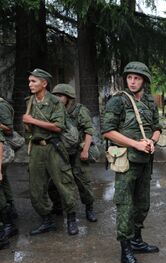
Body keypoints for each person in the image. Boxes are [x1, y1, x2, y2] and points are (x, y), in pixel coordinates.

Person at [102, 61, 161, 263]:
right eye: (129, 78)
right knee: (125, 206)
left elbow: (157, 127)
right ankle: (125, 251)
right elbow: (107, 131)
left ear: (144, 80)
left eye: (137, 78)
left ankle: (137, 240)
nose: (133, 81)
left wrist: (152, 141)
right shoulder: (118, 101)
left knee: (142, 204)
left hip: (145, 161)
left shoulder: (149, 101)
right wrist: (136, 143)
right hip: (127, 162)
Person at [23, 69, 80, 236]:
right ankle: (47, 220)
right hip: (36, 149)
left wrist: (32, 120)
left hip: (53, 147)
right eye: (29, 81)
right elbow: (28, 128)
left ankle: (71, 218)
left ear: (44, 83)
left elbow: (58, 126)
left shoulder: (55, 102)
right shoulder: (29, 102)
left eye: (33, 81)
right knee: (36, 188)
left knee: (64, 183)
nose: (30, 84)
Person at [50, 84, 97, 222]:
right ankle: (58, 206)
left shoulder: (80, 110)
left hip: (78, 150)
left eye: (60, 96)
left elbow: (89, 131)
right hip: (60, 150)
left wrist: (85, 150)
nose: (57, 98)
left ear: (69, 97)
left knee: (83, 181)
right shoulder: (53, 110)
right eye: (55, 95)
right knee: (54, 181)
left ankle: (89, 208)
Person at [0, 97, 18, 242]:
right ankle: (9, 214)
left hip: (4, 149)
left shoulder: (2, 105)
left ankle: (8, 221)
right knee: (3, 181)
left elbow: (9, 128)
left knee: (2, 181)